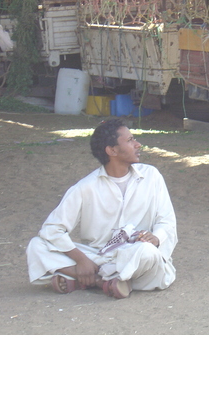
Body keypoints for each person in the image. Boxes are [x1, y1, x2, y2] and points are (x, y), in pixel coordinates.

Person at [26, 118, 178, 299]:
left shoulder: (151, 176)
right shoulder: (85, 187)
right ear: (112, 150)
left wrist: (156, 237)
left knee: (147, 253)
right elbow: (52, 229)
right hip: (98, 257)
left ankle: (84, 278)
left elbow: (167, 220)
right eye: (130, 140)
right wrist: (82, 260)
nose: (138, 144)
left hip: (135, 253)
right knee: (37, 246)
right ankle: (107, 280)